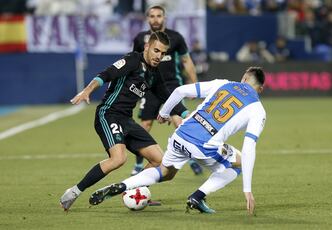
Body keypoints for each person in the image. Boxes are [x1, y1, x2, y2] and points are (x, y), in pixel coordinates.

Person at [88, 67, 266, 215]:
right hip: (204, 146)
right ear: (260, 89)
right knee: (239, 163)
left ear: (243, 78)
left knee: (166, 172)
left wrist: (164, 113)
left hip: (180, 135)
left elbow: (180, 91)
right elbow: (249, 146)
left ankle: (122, 185)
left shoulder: (223, 84)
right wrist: (247, 189)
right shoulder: (258, 110)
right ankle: (197, 196)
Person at [59, 31, 189, 211]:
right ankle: (74, 192)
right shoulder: (132, 60)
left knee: (160, 161)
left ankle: (129, 189)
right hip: (109, 114)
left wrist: (186, 114)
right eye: (156, 51)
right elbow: (106, 74)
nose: (159, 56)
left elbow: (167, 96)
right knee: (119, 158)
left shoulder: (154, 73)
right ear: (147, 47)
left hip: (127, 120)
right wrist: (88, 90)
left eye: (163, 53)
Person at [131, 5, 202, 176]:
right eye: (152, 16)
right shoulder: (141, 39)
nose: (155, 19)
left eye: (159, 16)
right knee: (146, 125)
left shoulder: (175, 37)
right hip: (149, 87)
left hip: (172, 86)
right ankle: (139, 162)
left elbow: (187, 61)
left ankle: (191, 158)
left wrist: (195, 87)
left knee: (179, 122)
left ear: (164, 18)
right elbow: (134, 62)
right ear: (147, 18)